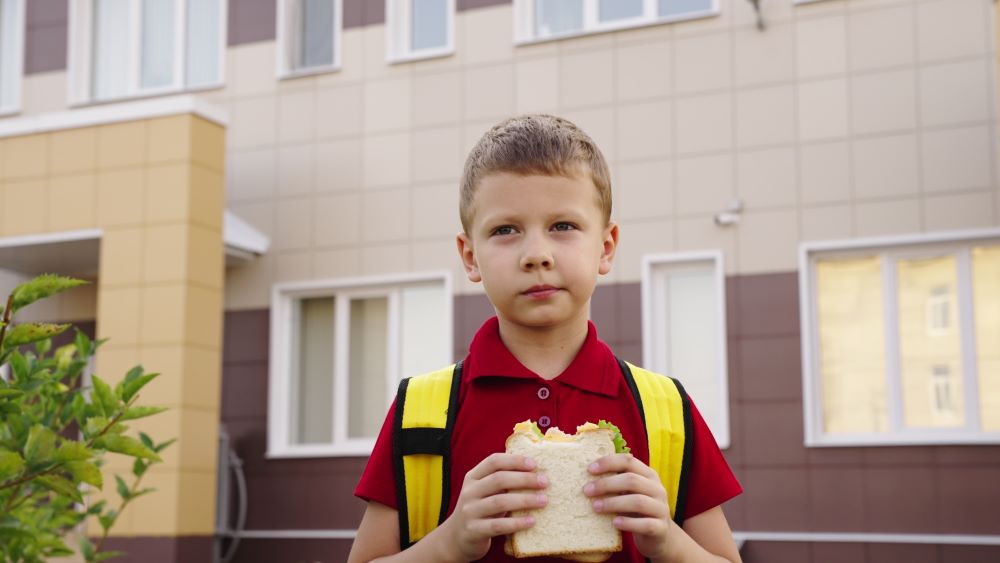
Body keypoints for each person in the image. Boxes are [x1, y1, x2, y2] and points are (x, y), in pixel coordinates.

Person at [347, 114, 742, 563]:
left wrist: (667, 541)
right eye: (505, 230)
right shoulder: (420, 411)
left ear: (607, 247)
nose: (537, 254)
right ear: (470, 256)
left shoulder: (667, 409)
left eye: (563, 226)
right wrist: (449, 542)